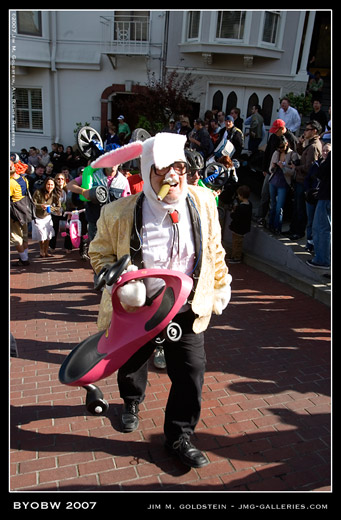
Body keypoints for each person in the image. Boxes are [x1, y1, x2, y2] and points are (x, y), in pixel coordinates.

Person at [88, 132, 232, 468]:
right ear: (147, 169)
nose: (172, 177)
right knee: (134, 360)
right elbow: (98, 254)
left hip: (185, 306)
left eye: (179, 167)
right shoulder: (117, 213)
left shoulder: (204, 201)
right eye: (163, 169)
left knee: (192, 371)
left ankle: (179, 436)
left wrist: (221, 285)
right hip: (140, 307)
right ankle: (131, 401)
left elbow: (214, 250)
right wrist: (121, 284)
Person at [67, 164, 131, 242]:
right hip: (95, 222)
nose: (113, 164)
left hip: (113, 224)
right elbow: (70, 185)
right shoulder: (93, 175)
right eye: (110, 161)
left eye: (116, 161)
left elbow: (126, 203)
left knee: (112, 251)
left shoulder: (123, 181)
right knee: (95, 251)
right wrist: (83, 191)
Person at [256, 119, 298, 227]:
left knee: (277, 201)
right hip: (272, 170)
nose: (275, 132)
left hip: (283, 174)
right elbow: (268, 152)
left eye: (276, 130)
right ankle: (261, 216)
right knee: (265, 194)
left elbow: (295, 157)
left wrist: (287, 167)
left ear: (282, 128)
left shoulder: (291, 139)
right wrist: (265, 168)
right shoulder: (273, 136)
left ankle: (274, 222)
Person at [287, 120, 323, 240]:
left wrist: (295, 167)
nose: (305, 132)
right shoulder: (309, 144)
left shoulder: (314, 146)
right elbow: (303, 155)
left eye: (307, 129)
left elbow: (310, 167)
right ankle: (293, 229)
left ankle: (298, 231)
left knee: (300, 208)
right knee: (296, 207)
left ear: (314, 131)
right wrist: (299, 144)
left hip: (303, 182)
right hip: (300, 180)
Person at [304, 143, 331, 253]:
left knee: (322, 226)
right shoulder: (316, 164)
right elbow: (309, 177)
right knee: (311, 222)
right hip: (312, 196)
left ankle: (320, 251)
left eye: (328, 151)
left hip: (324, 197)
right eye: (323, 150)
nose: (325, 153)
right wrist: (308, 191)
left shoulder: (328, 165)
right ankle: (310, 243)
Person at [268, 136, 298, 234]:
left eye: (282, 147)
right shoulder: (276, 153)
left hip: (284, 182)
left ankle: (277, 227)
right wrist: (273, 167)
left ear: (286, 144)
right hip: (273, 180)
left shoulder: (292, 154)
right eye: (278, 148)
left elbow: (293, 172)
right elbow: (270, 168)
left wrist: (283, 167)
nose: (280, 149)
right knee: (272, 204)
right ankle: (270, 224)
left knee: (279, 207)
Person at [32, 176, 61, 257]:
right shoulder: (38, 192)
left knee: (48, 234)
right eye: (48, 184)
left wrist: (52, 208)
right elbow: (33, 203)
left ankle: (46, 251)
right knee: (41, 234)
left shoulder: (54, 194)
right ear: (45, 184)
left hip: (47, 216)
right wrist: (41, 205)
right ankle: (41, 251)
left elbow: (58, 206)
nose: (50, 186)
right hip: (38, 216)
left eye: (52, 185)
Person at [10, 160, 31, 266]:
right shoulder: (23, 179)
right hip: (24, 210)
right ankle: (25, 257)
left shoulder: (10, 182)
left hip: (15, 213)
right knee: (25, 236)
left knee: (16, 236)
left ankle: (24, 259)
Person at [228, 185, 252, 263]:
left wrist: (233, 211)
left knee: (236, 243)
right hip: (244, 228)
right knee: (237, 243)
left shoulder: (241, 208)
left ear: (241, 195)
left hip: (238, 228)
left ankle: (236, 257)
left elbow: (235, 216)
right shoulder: (249, 205)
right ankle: (234, 256)